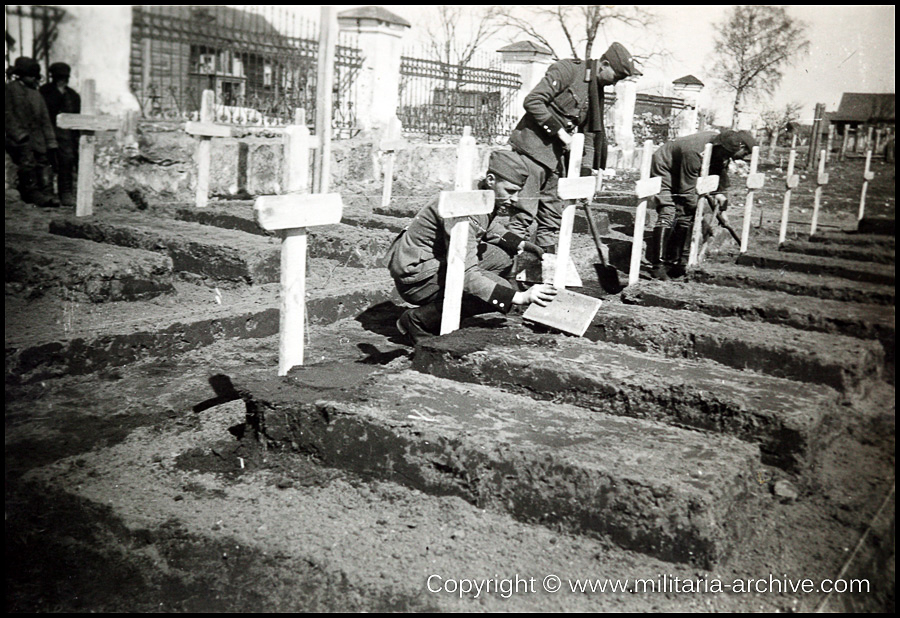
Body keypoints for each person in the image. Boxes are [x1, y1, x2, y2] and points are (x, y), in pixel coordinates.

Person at [387, 150, 557, 344]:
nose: (516, 199)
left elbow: (487, 225)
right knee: (499, 289)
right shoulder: (463, 206)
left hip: (431, 261)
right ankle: (417, 320)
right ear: (491, 179)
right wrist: (518, 297)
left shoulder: (480, 193)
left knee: (502, 256)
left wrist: (522, 244)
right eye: (510, 191)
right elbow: (466, 275)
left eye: (518, 192)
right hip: (415, 277)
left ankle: (451, 307)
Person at [507, 42, 641, 253]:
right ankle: (506, 272)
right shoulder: (568, 70)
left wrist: (585, 178)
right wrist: (560, 133)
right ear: (604, 64)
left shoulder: (595, 90)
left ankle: (543, 268)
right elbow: (533, 101)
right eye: (616, 76)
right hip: (531, 151)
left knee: (551, 218)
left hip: (555, 159)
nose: (615, 83)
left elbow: (588, 135)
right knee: (523, 215)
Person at [647, 129, 757, 279]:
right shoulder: (694, 152)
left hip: (686, 168)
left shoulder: (722, 149)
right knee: (669, 211)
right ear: (740, 147)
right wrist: (697, 210)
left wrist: (721, 200)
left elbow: (719, 174)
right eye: (745, 154)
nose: (744, 158)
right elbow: (687, 190)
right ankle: (658, 266)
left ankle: (677, 262)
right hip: (665, 167)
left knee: (685, 216)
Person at [5, 56, 60, 207]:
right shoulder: (10, 89)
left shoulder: (36, 94)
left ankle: (47, 192)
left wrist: (51, 141)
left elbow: (44, 119)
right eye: (29, 75)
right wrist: (19, 135)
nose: (33, 78)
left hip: (37, 137)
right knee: (27, 162)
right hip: (18, 137)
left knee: (43, 161)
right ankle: (31, 192)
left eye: (34, 76)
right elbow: (7, 115)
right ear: (21, 75)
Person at [40, 62, 81, 208]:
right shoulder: (44, 92)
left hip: (66, 137)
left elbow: (77, 116)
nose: (63, 80)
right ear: (53, 77)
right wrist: (59, 93)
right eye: (59, 77)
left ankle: (66, 193)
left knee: (67, 163)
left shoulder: (73, 95)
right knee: (47, 163)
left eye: (65, 77)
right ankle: (48, 194)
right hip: (48, 133)